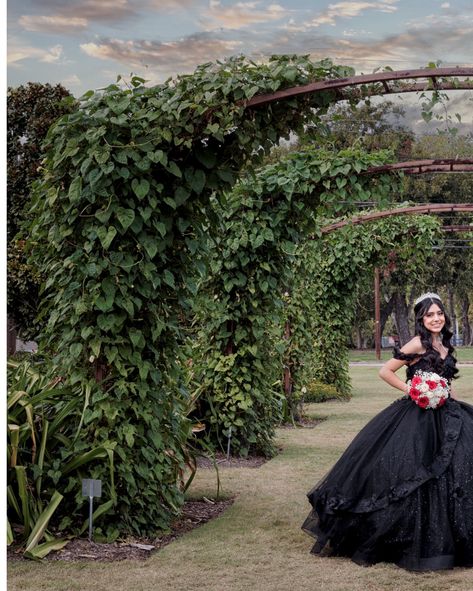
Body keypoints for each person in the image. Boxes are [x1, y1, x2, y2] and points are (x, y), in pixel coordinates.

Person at [302, 292, 473, 571]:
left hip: (447, 414)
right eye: (429, 315)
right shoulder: (417, 343)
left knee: (454, 469)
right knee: (413, 470)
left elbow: (446, 380)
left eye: (439, 313)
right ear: (421, 319)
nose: (436, 318)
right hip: (416, 417)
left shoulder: (444, 344)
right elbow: (386, 371)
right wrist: (414, 390)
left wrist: (448, 398)